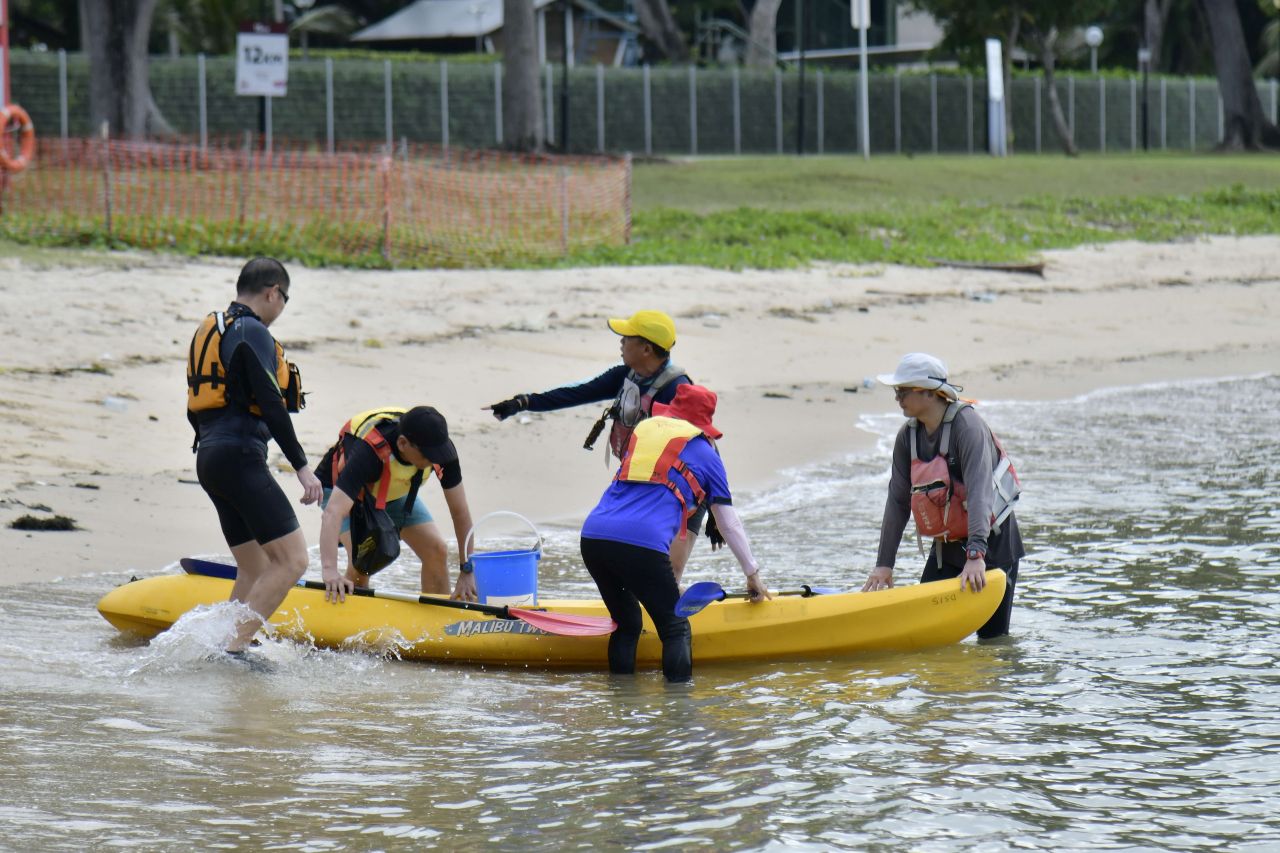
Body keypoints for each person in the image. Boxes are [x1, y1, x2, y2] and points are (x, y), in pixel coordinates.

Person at [486, 310, 706, 575]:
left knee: (669, 572)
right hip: (643, 484)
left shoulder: (677, 391)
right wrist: (523, 402)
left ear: (646, 349)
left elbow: (705, 451)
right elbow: (578, 392)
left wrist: (717, 513)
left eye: (627, 338)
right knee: (629, 559)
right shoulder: (628, 376)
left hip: (685, 492)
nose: (621, 342)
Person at [580, 384, 771, 682]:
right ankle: (679, 706)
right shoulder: (707, 453)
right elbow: (727, 522)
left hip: (594, 538)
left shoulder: (642, 434)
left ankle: (621, 699)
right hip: (641, 546)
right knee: (674, 627)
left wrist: (665, 583)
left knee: (628, 624)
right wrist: (752, 573)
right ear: (703, 424)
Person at [186, 257, 322, 656]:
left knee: (255, 567)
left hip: (210, 457)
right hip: (239, 457)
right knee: (293, 561)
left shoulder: (214, 328)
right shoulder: (252, 331)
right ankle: (235, 649)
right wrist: (302, 466)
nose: (282, 307)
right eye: (285, 299)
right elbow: (271, 402)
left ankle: (219, 645)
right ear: (273, 292)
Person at [861, 353, 1024, 639]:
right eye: (896, 391)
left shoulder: (968, 428)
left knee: (992, 643)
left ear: (929, 392)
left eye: (903, 390)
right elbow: (897, 501)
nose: (897, 397)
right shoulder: (907, 437)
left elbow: (980, 493)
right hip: (945, 552)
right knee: (924, 637)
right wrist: (884, 564)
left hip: (992, 548)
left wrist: (976, 554)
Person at [315, 406, 478, 604]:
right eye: (428, 455)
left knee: (436, 550)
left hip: (394, 490)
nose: (435, 459)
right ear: (402, 443)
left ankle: (438, 616)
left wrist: (467, 570)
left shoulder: (440, 450)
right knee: (365, 561)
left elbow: (460, 513)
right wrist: (330, 571)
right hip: (345, 493)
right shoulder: (369, 452)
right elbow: (333, 512)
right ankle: (343, 611)